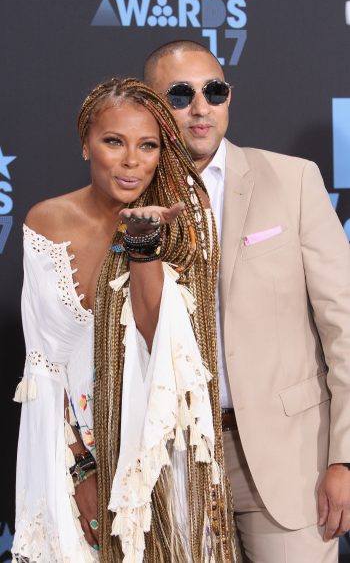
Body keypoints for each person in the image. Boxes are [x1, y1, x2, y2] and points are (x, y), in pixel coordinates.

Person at [12, 78, 238, 562]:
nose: (132, 161)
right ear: (85, 144)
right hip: (67, 453)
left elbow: (161, 342)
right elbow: (44, 362)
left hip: (158, 454)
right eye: (114, 141)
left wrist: (143, 248)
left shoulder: (181, 228)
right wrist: (81, 470)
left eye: (148, 145)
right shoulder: (45, 222)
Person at [143, 40, 350, 563]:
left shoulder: (293, 179)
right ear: (151, 105)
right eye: (180, 94)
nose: (200, 107)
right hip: (175, 464)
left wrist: (346, 458)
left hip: (288, 460)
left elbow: (343, 325)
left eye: (214, 90)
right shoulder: (131, 199)